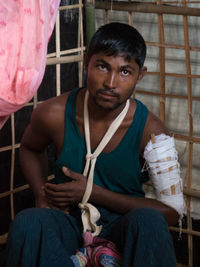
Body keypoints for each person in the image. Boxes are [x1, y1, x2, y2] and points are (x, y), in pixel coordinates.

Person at [6, 22, 184, 267]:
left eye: (125, 72)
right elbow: (29, 148)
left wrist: (93, 193)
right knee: (29, 222)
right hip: (69, 222)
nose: (111, 83)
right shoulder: (54, 113)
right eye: (102, 66)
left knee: (149, 222)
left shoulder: (152, 131)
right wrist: (40, 193)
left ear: (139, 75)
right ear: (86, 62)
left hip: (122, 226)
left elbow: (172, 212)